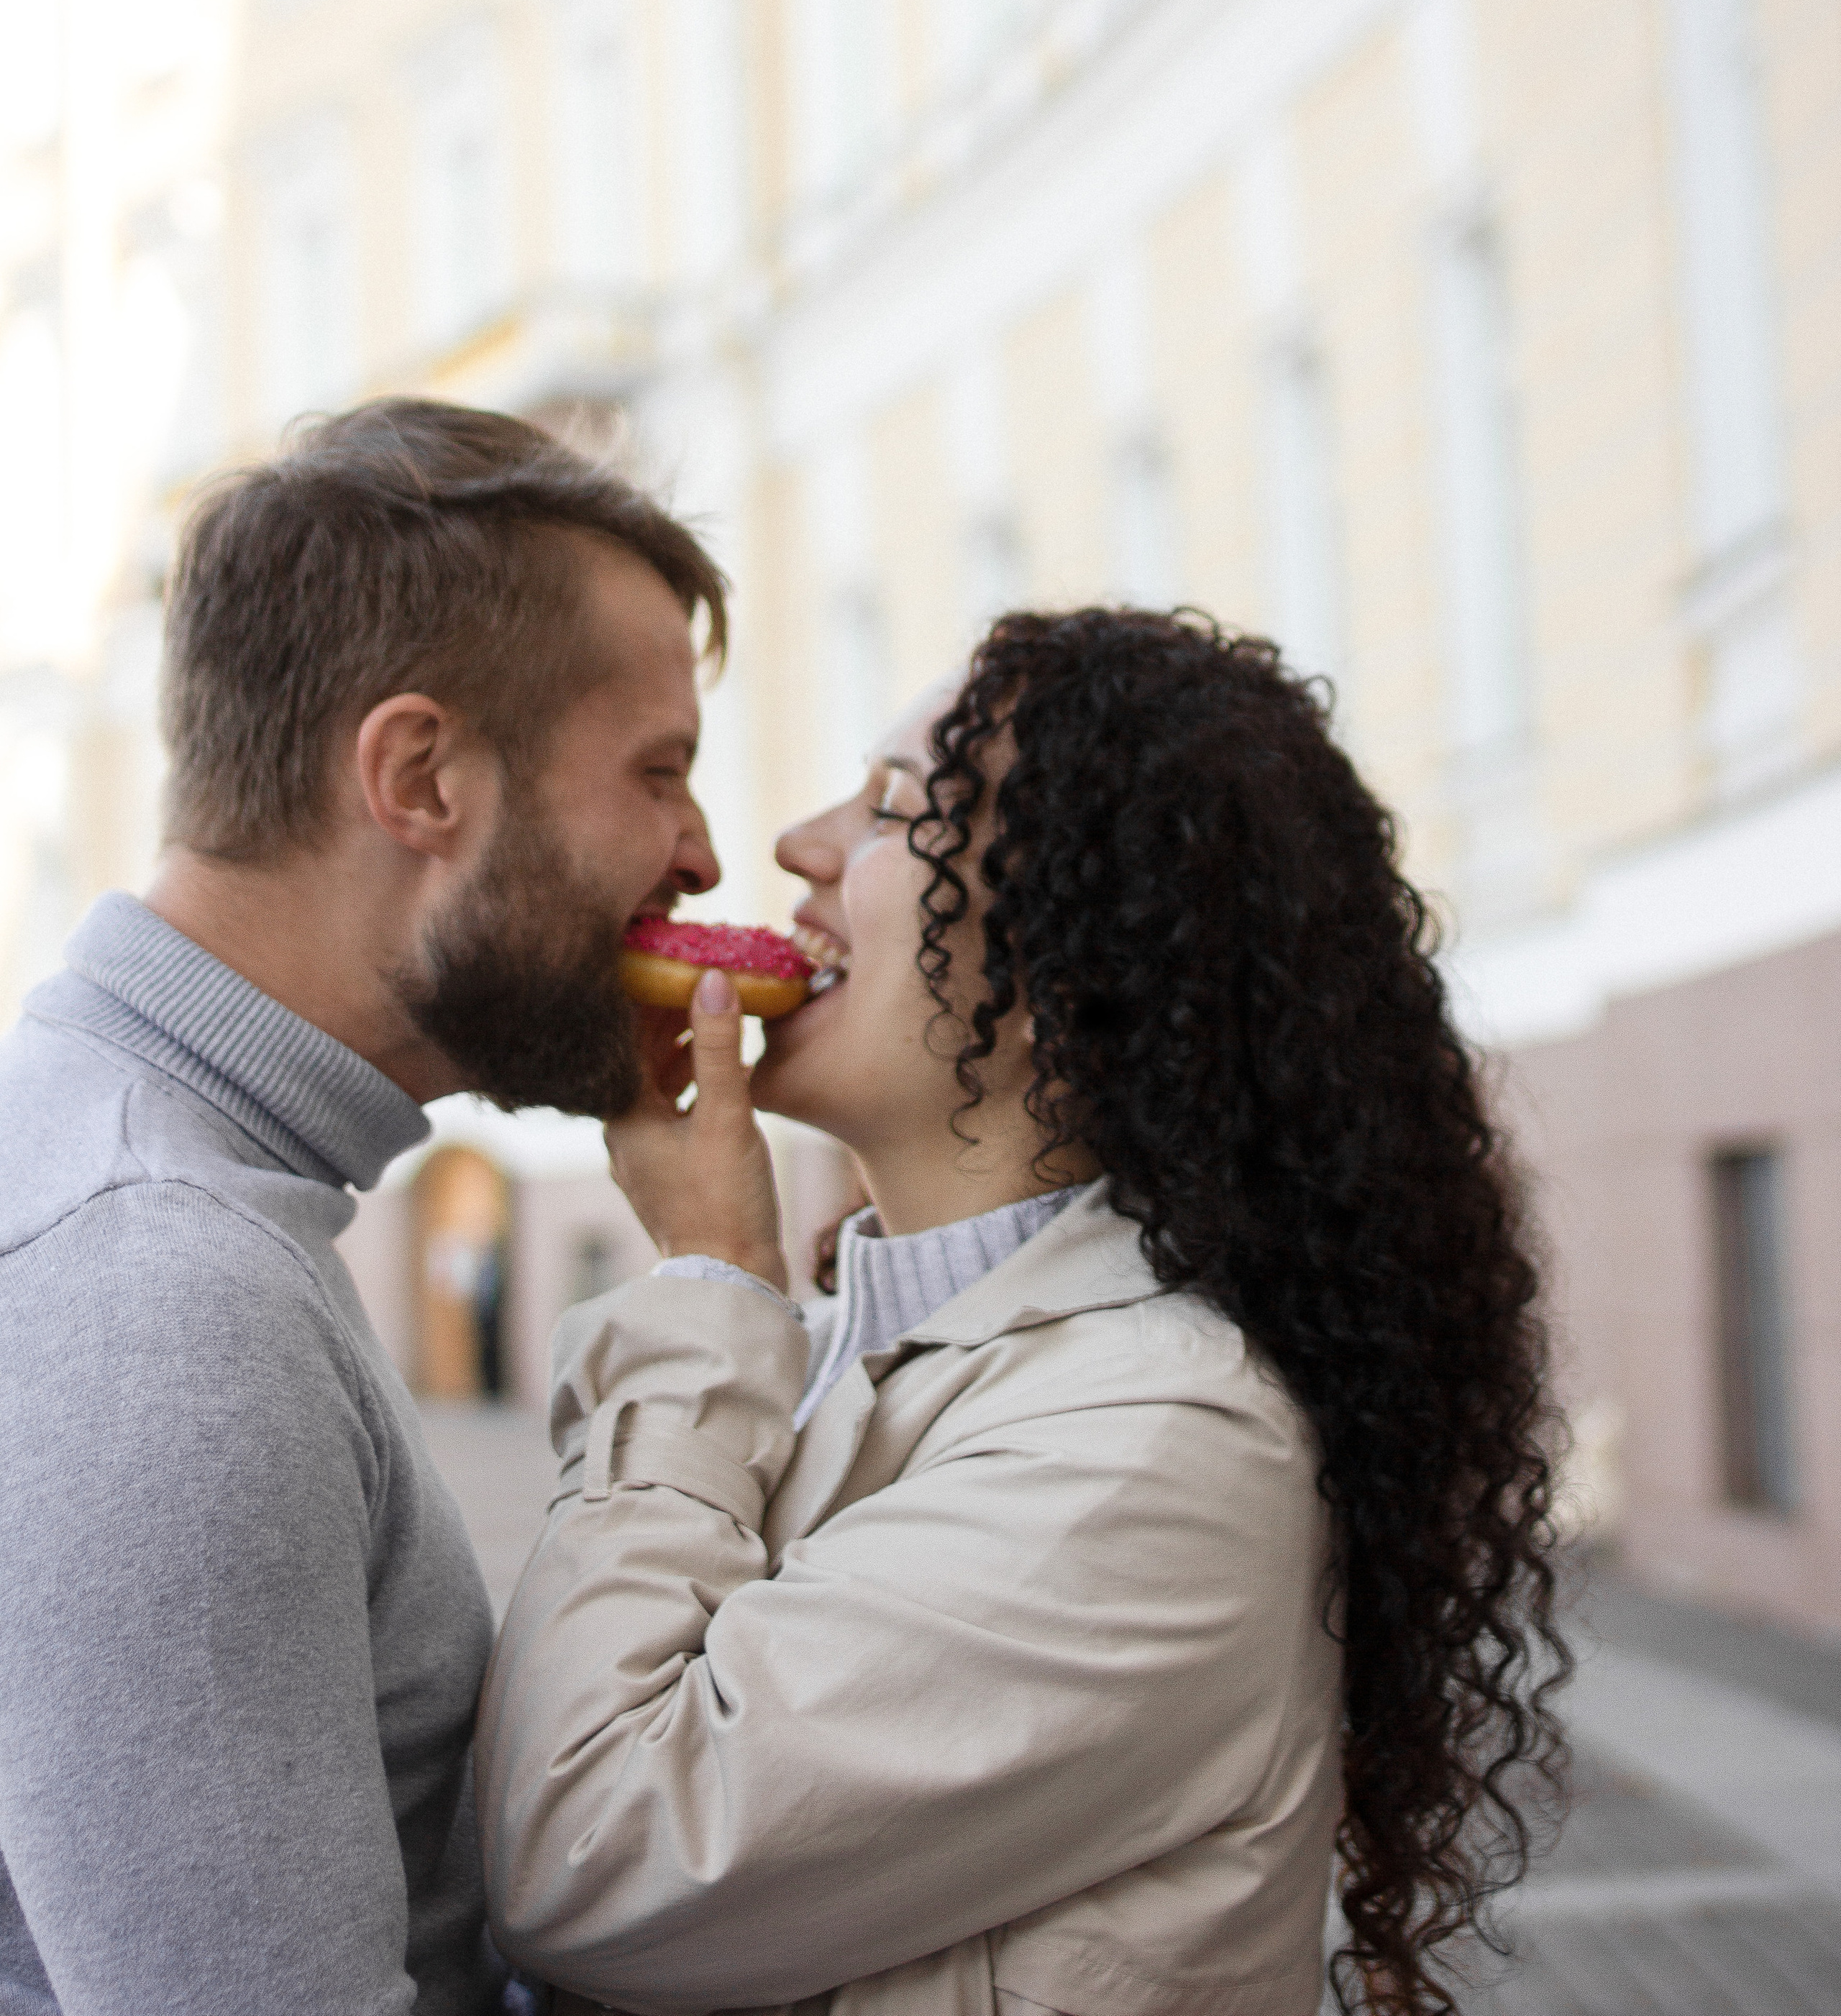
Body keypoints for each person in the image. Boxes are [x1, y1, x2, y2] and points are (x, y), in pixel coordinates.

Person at [478, 608, 1567, 2016]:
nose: (799, 845)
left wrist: (703, 1282)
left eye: (890, 812)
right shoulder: (820, 1357)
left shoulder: (1159, 1449)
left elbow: (588, 1859)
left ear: (1070, 944)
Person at [0, 400, 726, 2016]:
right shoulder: (157, 1293)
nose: (699, 853)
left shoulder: (181, 1200)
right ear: (418, 776)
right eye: (657, 773)